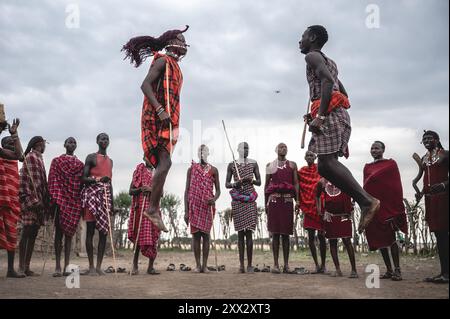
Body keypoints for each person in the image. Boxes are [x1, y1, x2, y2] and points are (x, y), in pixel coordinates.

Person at [299, 25, 380, 233]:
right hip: (339, 114)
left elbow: (326, 81)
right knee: (325, 166)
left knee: (326, 164)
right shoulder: (331, 63)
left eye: (303, 37)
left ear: (313, 38)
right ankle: (365, 201)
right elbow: (341, 90)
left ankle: (366, 201)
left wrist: (321, 115)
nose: (299, 41)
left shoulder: (312, 57)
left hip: (330, 115)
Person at [123, 25, 189, 233]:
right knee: (165, 162)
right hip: (156, 117)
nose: (183, 42)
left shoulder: (175, 66)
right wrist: (160, 109)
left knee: (166, 163)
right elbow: (145, 85)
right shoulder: (162, 61)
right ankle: (152, 209)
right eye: (180, 39)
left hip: (168, 120)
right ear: (172, 41)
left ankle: (153, 206)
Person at [363, 141, 407, 281]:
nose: (374, 150)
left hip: (388, 208)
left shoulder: (390, 165)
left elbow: (395, 186)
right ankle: (388, 270)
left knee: (391, 239)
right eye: (372, 148)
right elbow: (366, 187)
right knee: (380, 240)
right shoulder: (367, 167)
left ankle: (397, 270)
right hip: (374, 207)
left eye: (377, 148)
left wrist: (395, 207)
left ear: (383, 150)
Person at [413, 131, 448, 284]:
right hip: (430, 200)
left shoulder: (445, 154)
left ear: (437, 140)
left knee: (444, 235)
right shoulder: (424, 159)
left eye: (429, 138)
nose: (427, 140)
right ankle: (444, 273)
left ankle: (446, 274)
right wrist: (420, 192)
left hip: (444, 198)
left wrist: (443, 185)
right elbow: (422, 178)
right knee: (440, 236)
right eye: (424, 139)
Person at [48, 137, 84, 277]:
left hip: (73, 202)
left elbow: (81, 184)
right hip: (60, 201)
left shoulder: (80, 165)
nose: (72, 144)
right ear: (64, 145)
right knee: (58, 234)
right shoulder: (57, 162)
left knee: (69, 235)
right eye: (69, 142)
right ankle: (57, 265)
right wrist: (57, 197)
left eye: (74, 142)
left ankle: (67, 266)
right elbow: (52, 179)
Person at [80, 133, 114, 276]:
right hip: (92, 197)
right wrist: (98, 179)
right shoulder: (91, 157)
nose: (104, 141)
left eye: (106, 138)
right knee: (90, 230)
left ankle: (99, 266)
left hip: (105, 198)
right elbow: (83, 178)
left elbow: (110, 183)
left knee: (103, 233)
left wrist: (112, 203)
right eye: (102, 139)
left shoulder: (111, 161)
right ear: (97, 141)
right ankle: (91, 266)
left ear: (109, 142)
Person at [225, 142, 261, 273]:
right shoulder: (232, 165)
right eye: (243, 148)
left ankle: (250, 265)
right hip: (238, 201)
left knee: (249, 233)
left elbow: (259, 182)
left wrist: (250, 180)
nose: (245, 150)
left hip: (250, 200)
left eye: (247, 148)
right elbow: (227, 184)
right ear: (238, 150)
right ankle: (241, 265)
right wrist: (236, 183)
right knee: (240, 233)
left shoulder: (254, 164)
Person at [184, 145, 221, 273]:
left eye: (204, 151)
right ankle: (197, 265)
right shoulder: (192, 169)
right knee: (195, 235)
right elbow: (187, 191)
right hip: (194, 205)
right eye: (200, 151)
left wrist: (214, 199)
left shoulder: (214, 170)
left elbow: (218, 191)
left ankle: (205, 265)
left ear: (208, 153)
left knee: (206, 235)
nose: (202, 153)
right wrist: (186, 211)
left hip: (207, 206)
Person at [265, 143, 300, 274]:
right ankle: (275, 265)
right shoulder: (270, 166)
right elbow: (266, 186)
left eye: (285, 147)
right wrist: (266, 203)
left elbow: (296, 183)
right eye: (281, 147)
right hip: (274, 200)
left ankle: (286, 265)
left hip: (287, 200)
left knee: (286, 234)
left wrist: (298, 201)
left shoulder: (292, 165)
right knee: (275, 233)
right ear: (276, 150)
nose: (283, 148)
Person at [18, 136, 50, 276]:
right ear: (38, 144)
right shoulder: (30, 157)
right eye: (44, 144)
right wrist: (31, 200)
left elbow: (42, 183)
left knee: (33, 233)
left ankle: (27, 266)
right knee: (26, 232)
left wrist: (44, 201)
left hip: (39, 202)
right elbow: (24, 180)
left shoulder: (40, 159)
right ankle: (20, 267)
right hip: (30, 201)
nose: (44, 146)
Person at [316, 178, 358, 278]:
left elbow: (355, 190)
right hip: (330, 215)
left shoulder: (343, 177)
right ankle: (338, 269)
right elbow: (317, 196)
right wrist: (319, 211)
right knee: (332, 242)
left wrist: (352, 203)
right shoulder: (322, 182)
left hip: (344, 214)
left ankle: (354, 270)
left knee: (347, 241)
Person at [0, 119, 26, 278]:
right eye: (8, 142)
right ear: (3, 145)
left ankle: (10, 269)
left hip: (10, 201)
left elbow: (20, 155)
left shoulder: (10, 158)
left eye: (12, 142)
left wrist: (14, 134)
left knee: (11, 234)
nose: (11, 144)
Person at [128, 156, 160, 275]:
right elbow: (131, 191)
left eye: (152, 157)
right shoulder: (139, 171)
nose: (150, 159)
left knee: (154, 236)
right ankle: (135, 266)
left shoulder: (158, 173)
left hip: (153, 209)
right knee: (138, 236)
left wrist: (151, 190)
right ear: (144, 158)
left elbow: (161, 193)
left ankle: (150, 267)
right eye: (148, 157)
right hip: (140, 208)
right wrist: (141, 189)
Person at [298, 151, 327, 273]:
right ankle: (316, 265)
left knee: (321, 236)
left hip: (320, 205)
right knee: (310, 237)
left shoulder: (320, 170)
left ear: (315, 157)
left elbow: (324, 185)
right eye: (307, 155)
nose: (309, 157)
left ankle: (323, 265)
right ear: (305, 158)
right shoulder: (301, 172)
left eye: (311, 155)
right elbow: (298, 186)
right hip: (308, 206)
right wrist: (299, 201)